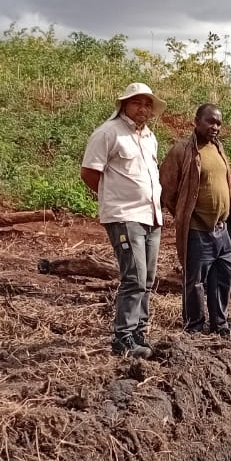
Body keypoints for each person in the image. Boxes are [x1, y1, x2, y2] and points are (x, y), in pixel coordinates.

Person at [80, 82, 165, 359]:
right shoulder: (109, 132)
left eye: (147, 104)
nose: (142, 109)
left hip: (150, 215)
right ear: (124, 104)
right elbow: (90, 173)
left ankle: (140, 331)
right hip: (124, 215)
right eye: (137, 103)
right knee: (135, 276)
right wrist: (113, 198)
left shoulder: (150, 137)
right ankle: (123, 338)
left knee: (148, 278)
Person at [159, 103, 231, 336]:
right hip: (197, 230)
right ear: (196, 122)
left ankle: (220, 325)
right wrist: (183, 213)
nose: (215, 127)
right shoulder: (182, 150)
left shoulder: (218, 148)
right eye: (210, 121)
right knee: (195, 282)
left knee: (223, 278)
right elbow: (166, 189)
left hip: (223, 230)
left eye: (219, 123)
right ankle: (194, 327)